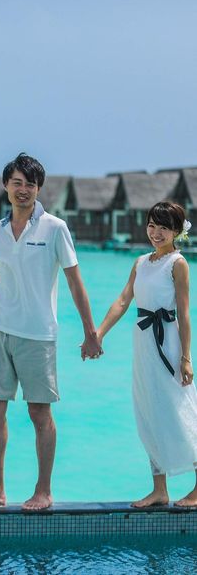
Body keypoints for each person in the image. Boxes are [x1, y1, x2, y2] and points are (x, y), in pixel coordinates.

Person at [0, 153, 102, 511]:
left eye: (30, 184)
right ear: (6, 186)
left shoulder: (55, 228)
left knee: (39, 412)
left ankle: (43, 490)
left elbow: (75, 281)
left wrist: (91, 331)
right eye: (17, 183)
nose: (23, 189)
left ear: (39, 189)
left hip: (38, 335)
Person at [96, 201, 197, 507]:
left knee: (179, 410)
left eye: (164, 227)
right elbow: (123, 301)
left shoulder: (178, 263)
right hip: (143, 343)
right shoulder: (140, 262)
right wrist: (99, 334)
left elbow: (184, 313)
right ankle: (159, 489)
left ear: (176, 231)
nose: (156, 233)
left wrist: (186, 358)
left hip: (168, 344)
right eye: (152, 225)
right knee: (148, 411)